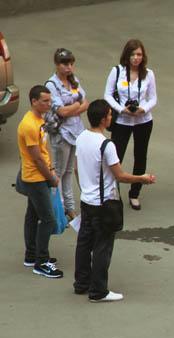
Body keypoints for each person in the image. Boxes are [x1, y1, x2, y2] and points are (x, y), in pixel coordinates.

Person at [74, 100, 156, 302]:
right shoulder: (106, 145)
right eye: (110, 115)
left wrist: (85, 188)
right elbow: (120, 176)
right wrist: (142, 178)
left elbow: (76, 168)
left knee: (84, 243)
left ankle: (81, 283)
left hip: (87, 200)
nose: (112, 118)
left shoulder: (82, 137)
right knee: (103, 246)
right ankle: (98, 291)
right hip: (103, 204)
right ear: (103, 119)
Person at [104, 39, 157, 211]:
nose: (136, 58)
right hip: (122, 120)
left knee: (140, 156)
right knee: (116, 156)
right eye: (133, 54)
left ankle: (135, 193)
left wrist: (143, 109)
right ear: (127, 55)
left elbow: (153, 98)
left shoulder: (148, 74)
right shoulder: (117, 71)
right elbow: (108, 95)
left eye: (139, 54)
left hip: (143, 120)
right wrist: (121, 109)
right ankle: (114, 192)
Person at [17, 85, 61, 278]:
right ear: (34, 101)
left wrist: (51, 169)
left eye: (49, 101)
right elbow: (36, 158)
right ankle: (41, 262)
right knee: (48, 219)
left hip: (39, 175)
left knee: (33, 215)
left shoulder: (39, 120)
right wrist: (51, 178)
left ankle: (31, 255)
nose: (49, 104)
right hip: (35, 178)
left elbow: (44, 149)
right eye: (45, 101)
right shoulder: (28, 125)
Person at [45, 48, 88, 221]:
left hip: (76, 131)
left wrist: (74, 107)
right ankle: (58, 208)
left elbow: (86, 102)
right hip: (61, 133)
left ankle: (69, 208)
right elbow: (61, 111)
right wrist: (77, 106)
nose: (69, 67)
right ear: (57, 64)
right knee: (59, 172)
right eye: (65, 64)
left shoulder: (74, 81)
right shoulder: (51, 85)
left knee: (70, 170)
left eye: (71, 63)